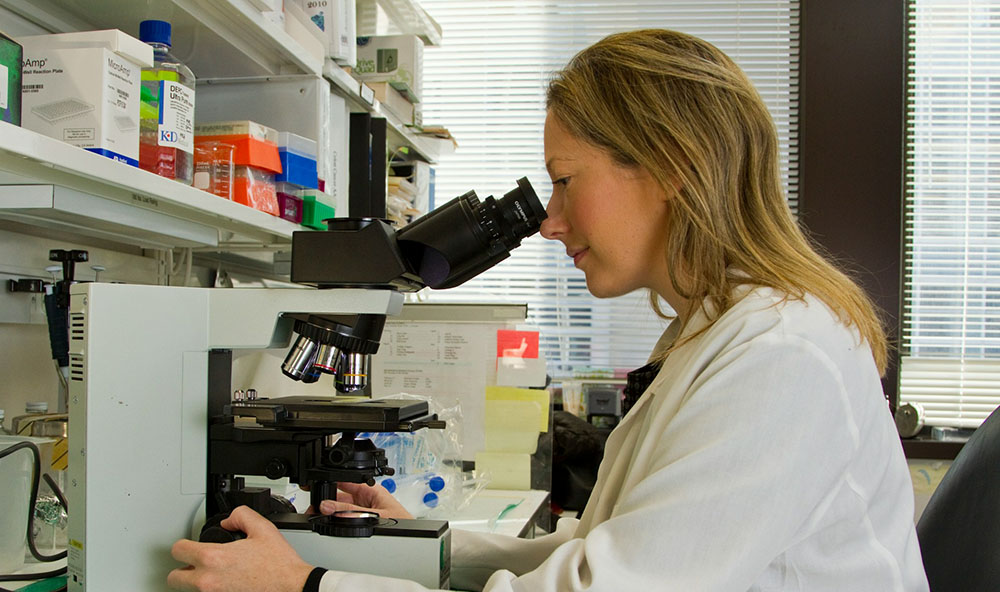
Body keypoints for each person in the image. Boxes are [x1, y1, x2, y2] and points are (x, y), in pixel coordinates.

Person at [167, 29, 929, 591]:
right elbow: (604, 551)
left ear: (670, 166)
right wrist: (430, 541)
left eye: (565, 181)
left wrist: (305, 586)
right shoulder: (725, 333)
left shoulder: (780, 355)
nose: (552, 220)